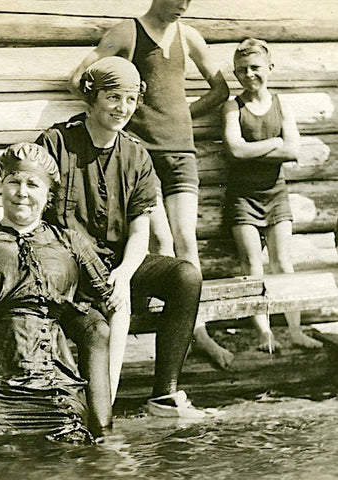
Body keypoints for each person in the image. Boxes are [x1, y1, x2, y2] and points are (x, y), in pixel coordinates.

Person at [0, 142, 130, 445]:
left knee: (70, 460)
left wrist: (106, 397)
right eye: (14, 181)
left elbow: (117, 304)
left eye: (33, 184)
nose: (22, 192)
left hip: (56, 393)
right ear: (1, 183)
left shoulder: (70, 243)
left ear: (48, 193)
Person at [37, 56, 204, 427]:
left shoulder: (135, 154)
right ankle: (87, 407)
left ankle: (164, 393)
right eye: (113, 97)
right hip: (67, 270)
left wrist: (126, 274)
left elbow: (140, 229)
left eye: (130, 99)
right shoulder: (57, 142)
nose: (122, 108)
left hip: (117, 265)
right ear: (91, 98)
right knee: (96, 326)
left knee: (186, 277)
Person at [68, 0, 233, 369]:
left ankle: (197, 330)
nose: (182, 6)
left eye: (189, 1)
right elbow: (80, 79)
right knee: (160, 241)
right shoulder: (128, 32)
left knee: (187, 240)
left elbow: (220, 89)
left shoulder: (188, 36)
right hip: (145, 157)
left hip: (181, 153)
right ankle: (165, 333)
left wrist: (179, 115)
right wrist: (123, 122)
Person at [222, 38, 323, 352]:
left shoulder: (282, 104)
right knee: (251, 264)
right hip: (243, 198)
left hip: (276, 195)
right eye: (242, 70)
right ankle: (264, 333)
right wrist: (273, 145)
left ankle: (294, 331)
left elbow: (293, 149)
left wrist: (264, 149)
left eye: (255, 68)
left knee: (283, 263)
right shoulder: (232, 106)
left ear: (270, 68)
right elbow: (235, 150)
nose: (249, 74)